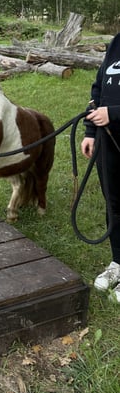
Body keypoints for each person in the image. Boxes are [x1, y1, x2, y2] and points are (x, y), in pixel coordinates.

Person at [81, 33, 120, 301]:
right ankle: (118, 261)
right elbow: (99, 89)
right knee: (114, 203)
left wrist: (114, 113)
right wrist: (90, 131)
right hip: (109, 140)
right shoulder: (117, 42)